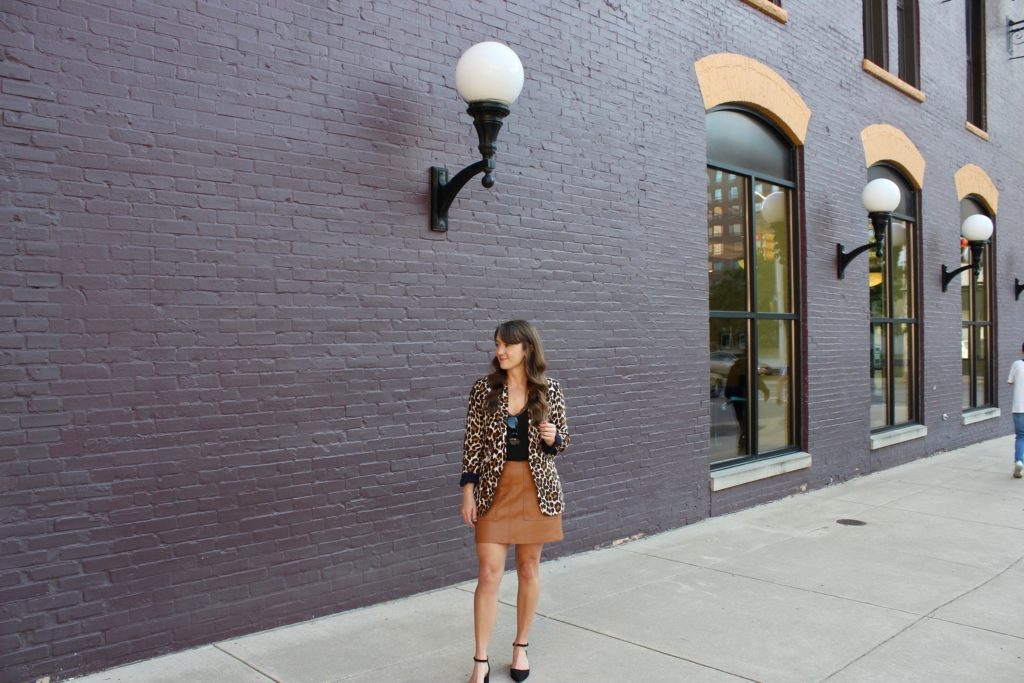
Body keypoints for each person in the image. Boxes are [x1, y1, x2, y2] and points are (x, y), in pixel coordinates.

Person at [460, 320, 570, 683]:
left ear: (526, 348)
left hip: (537, 490)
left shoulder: (549, 389)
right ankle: (480, 658)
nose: (499, 352)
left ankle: (521, 646)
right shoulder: (484, 389)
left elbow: (562, 443)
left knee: (528, 569)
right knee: (489, 573)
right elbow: (471, 445)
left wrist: (553, 437)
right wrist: (468, 492)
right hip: (495, 491)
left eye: (506, 345)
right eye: (496, 345)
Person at [724, 352, 769, 450]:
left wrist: (728, 396)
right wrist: (766, 390)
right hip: (745, 398)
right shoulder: (746, 366)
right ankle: (745, 440)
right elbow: (757, 381)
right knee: (747, 420)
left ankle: (743, 439)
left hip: (736, 397)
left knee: (741, 419)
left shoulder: (735, 367)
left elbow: (729, 383)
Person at [1008, 340, 1024, 479]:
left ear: (1022, 350)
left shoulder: (1017, 364)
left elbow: (1010, 381)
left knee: (1020, 436)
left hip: (1019, 407)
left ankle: (1019, 461)